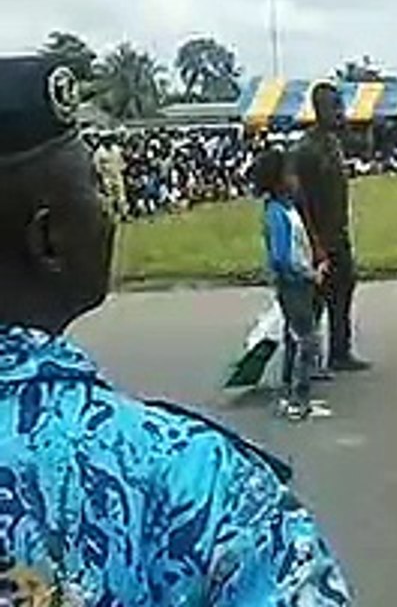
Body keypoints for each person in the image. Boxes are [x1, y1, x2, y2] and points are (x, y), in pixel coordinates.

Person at [0, 57, 352, 604]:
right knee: (304, 344)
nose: (110, 211)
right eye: (96, 187)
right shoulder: (187, 482)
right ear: (48, 240)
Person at [292, 82, 371, 374]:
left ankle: (340, 352)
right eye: (333, 107)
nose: (340, 113)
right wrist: (315, 244)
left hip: (338, 233)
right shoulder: (306, 150)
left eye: (341, 106)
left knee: (344, 291)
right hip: (319, 238)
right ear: (318, 109)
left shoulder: (332, 143)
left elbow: (365, 146)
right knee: (314, 303)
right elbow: (301, 203)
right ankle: (306, 361)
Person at [252, 148, 334, 419]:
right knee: (308, 341)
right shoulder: (277, 213)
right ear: (279, 181)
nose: (296, 179)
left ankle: (291, 393)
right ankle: (299, 398)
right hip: (294, 285)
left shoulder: (288, 209)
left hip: (300, 283)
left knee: (294, 338)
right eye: (290, 174)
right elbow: (283, 257)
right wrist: (311, 274)